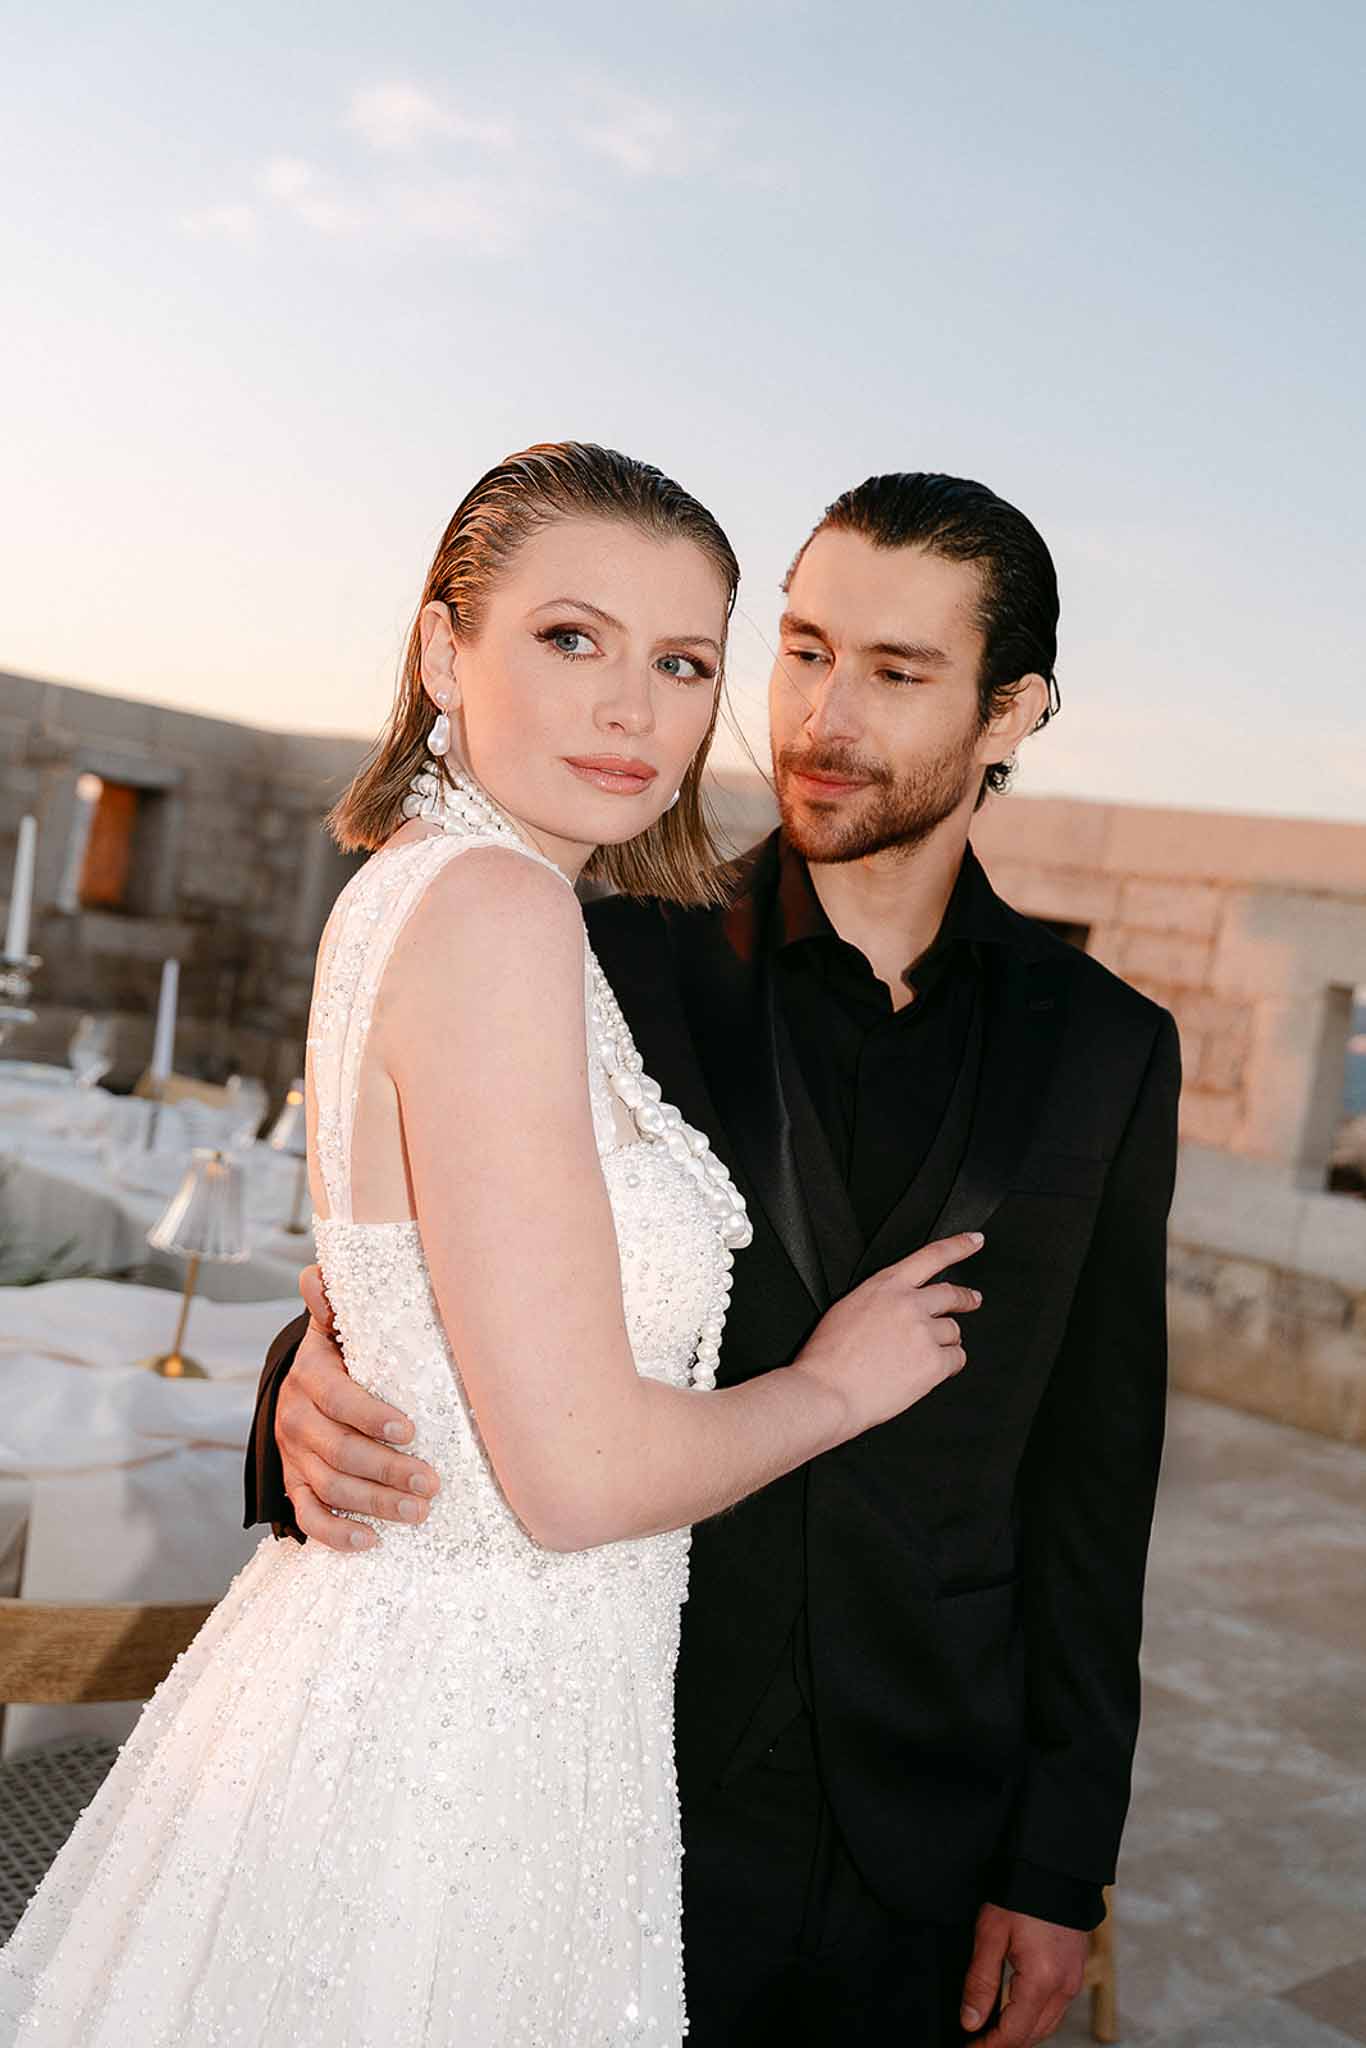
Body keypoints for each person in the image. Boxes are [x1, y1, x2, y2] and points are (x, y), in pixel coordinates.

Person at [0, 445, 983, 2048]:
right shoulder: (496, 911)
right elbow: (576, 1471)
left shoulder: (470, 891)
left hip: (548, 1714)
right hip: (450, 1737)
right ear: (443, 648)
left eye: (680, 666)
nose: (632, 709)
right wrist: (836, 1385)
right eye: (570, 639)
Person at [252, 470, 1182, 2048]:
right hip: (614, 1778)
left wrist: (1057, 1860)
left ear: (1010, 711)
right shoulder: (603, 953)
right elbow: (410, 1252)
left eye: (894, 673)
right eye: (802, 649)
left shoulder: (1107, 1049)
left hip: (924, 1819)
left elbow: (1097, 1469)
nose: (818, 714)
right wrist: (300, 1391)